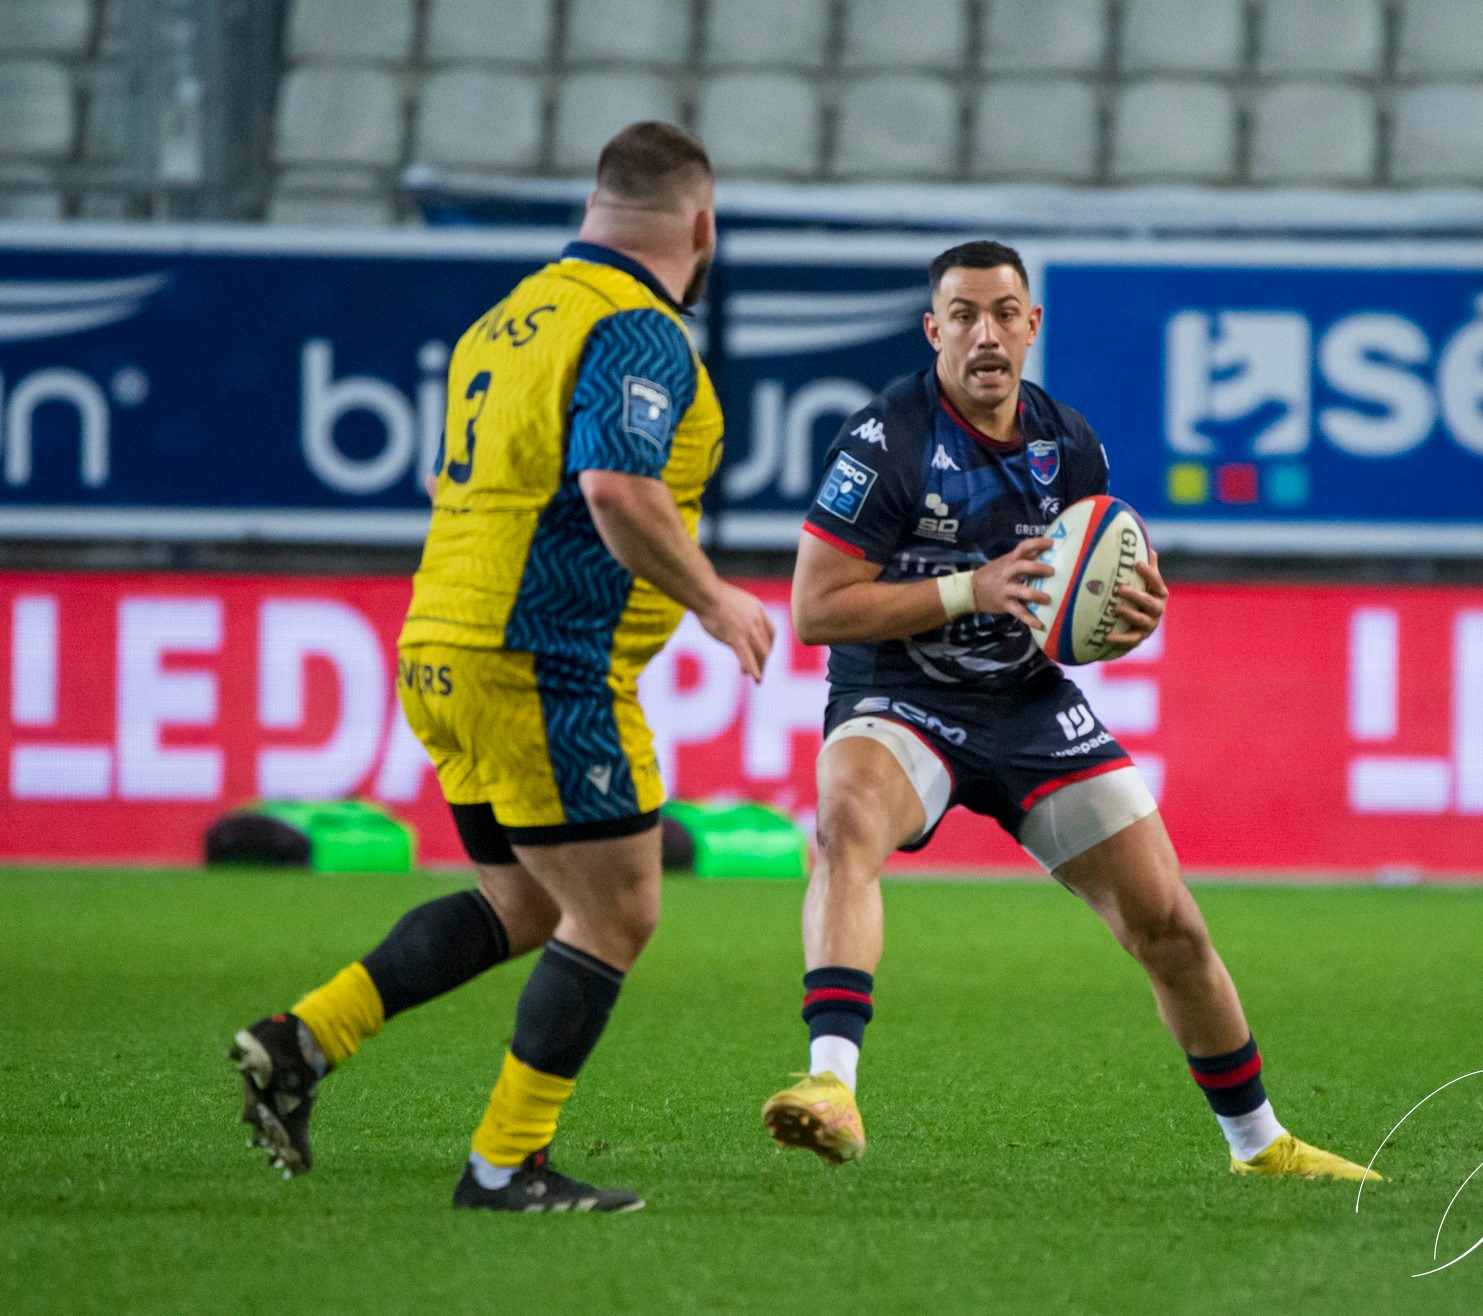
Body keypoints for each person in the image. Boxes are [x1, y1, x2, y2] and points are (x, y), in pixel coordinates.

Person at [229, 122, 773, 1213]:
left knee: (524, 898)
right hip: (543, 658)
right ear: (701, 223)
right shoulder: (637, 327)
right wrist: (713, 597)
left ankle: (303, 1038)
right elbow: (620, 488)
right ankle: (503, 1164)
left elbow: (453, 490)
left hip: (441, 643)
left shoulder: (504, 322)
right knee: (617, 912)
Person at [758, 240, 1379, 1182]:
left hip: (1027, 703)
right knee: (846, 828)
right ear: (934, 331)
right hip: (900, 696)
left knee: (1168, 923)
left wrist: (1130, 616)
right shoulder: (884, 440)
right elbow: (814, 609)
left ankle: (1261, 1145)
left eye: (1005, 312)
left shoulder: (1069, 443)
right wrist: (973, 589)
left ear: (1032, 325)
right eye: (963, 315)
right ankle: (830, 1083)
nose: (986, 334)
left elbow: (1077, 605)